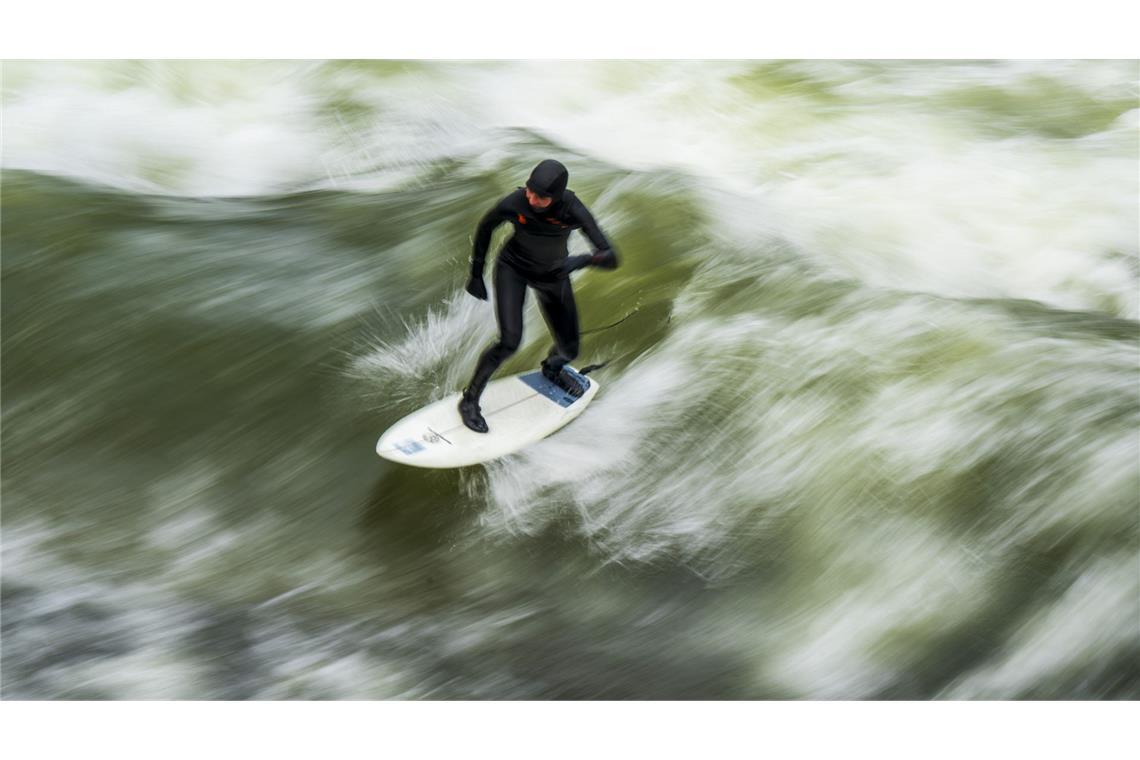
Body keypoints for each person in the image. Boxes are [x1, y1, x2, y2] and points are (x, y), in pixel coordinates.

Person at [458, 159, 619, 433]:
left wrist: (579, 261)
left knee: (569, 350)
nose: (531, 198)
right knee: (510, 341)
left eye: (540, 196)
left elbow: (611, 257)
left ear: (555, 198)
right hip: (513, 269)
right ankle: (470, 400)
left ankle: (552, 369)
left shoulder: (572, 209)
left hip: (553, 275)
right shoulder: (516, 202)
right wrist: (475, 274)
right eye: (529, 190)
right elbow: (486, 227)